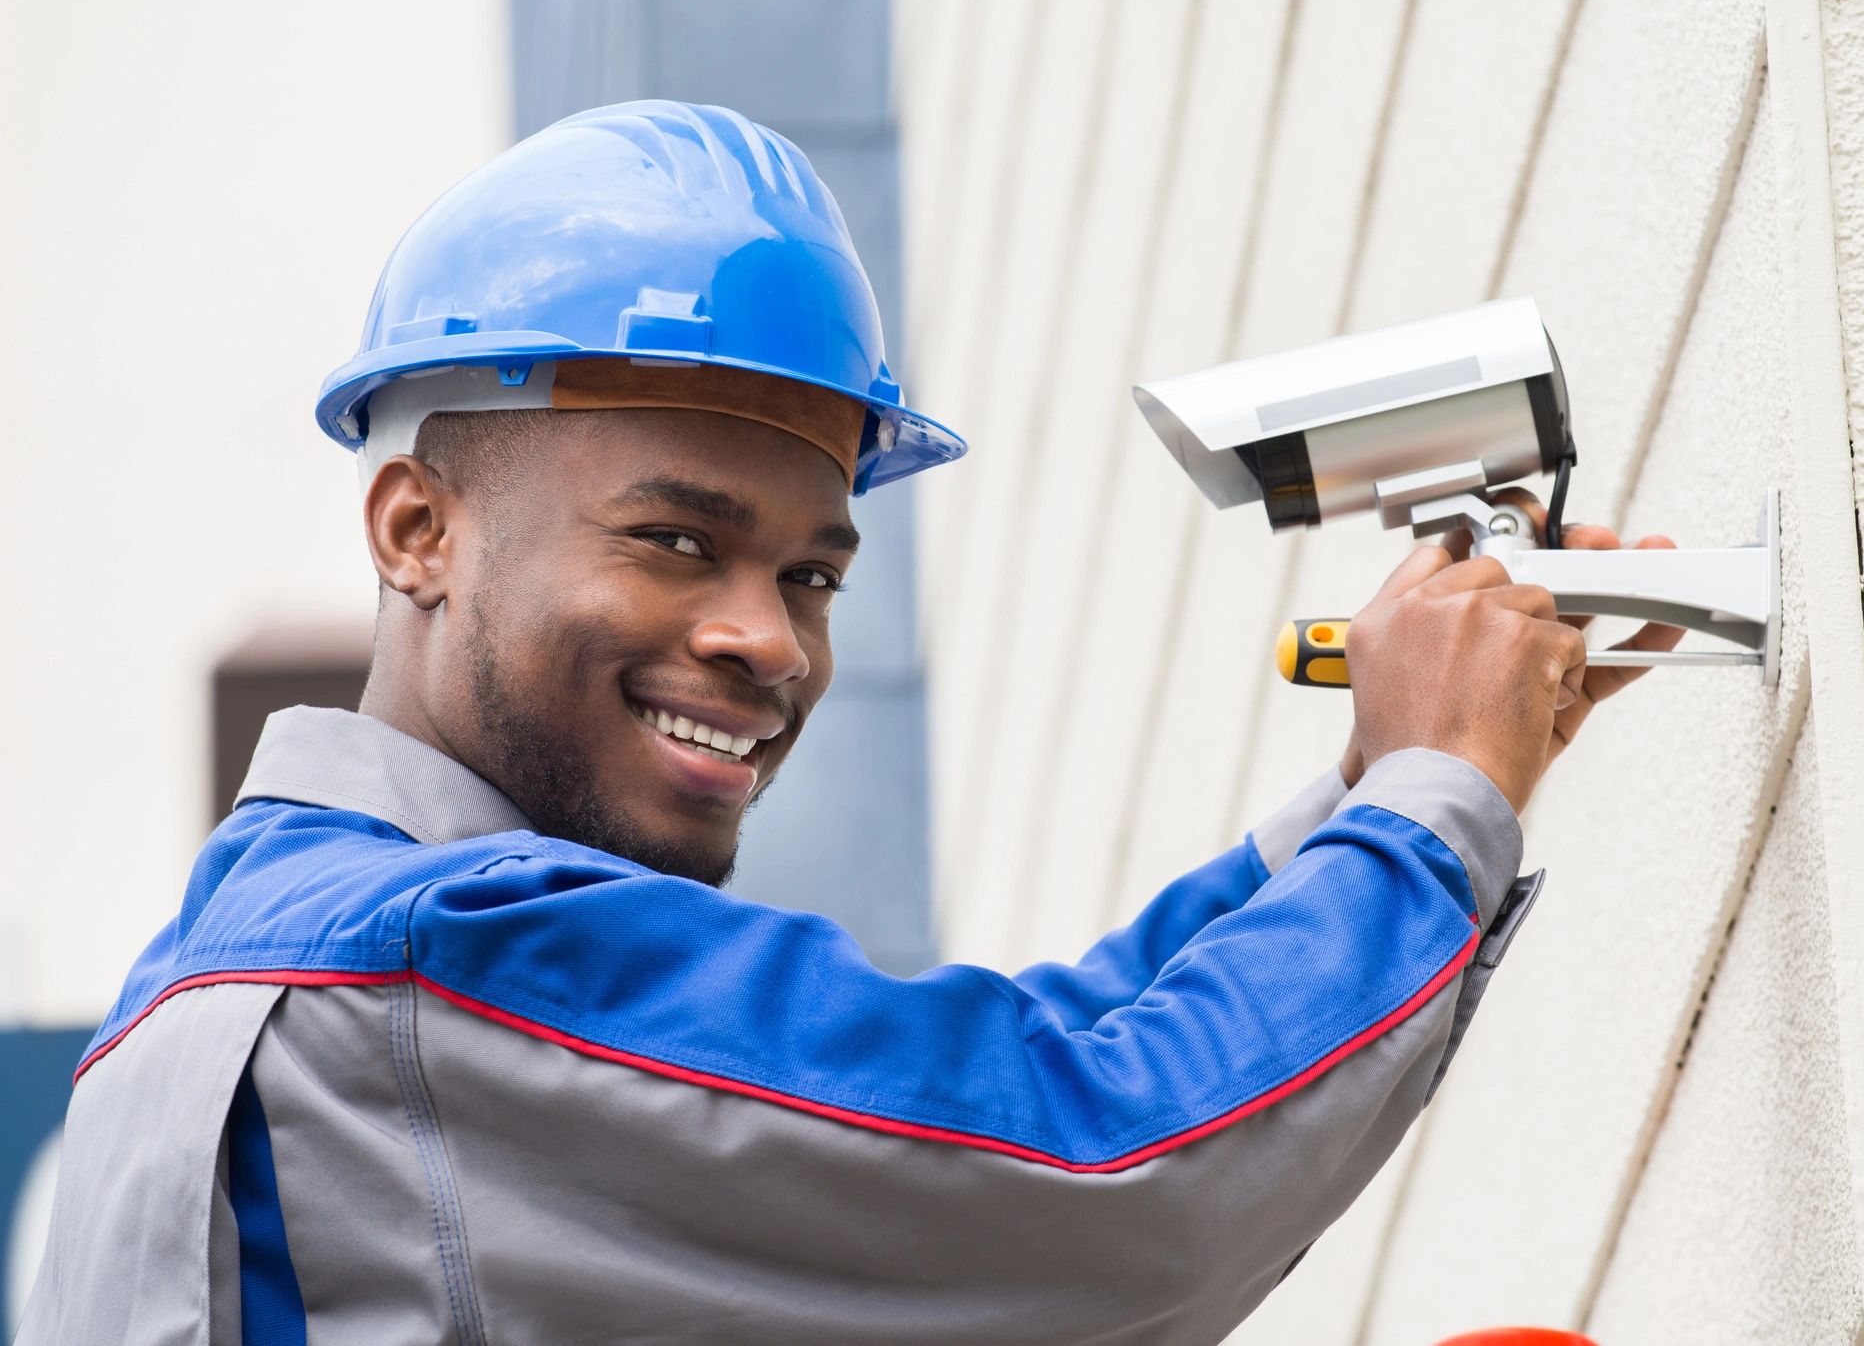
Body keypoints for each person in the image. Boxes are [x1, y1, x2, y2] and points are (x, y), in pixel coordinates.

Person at [19, 101, 1676, 1345]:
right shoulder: (423, 959)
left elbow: (1011, 1075)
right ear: (416, 531)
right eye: (675, 541)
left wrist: (1379, 783)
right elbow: (1093, 1168)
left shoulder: (222, 991)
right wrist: (1440, 805)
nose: (765, 639)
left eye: (812, 575)